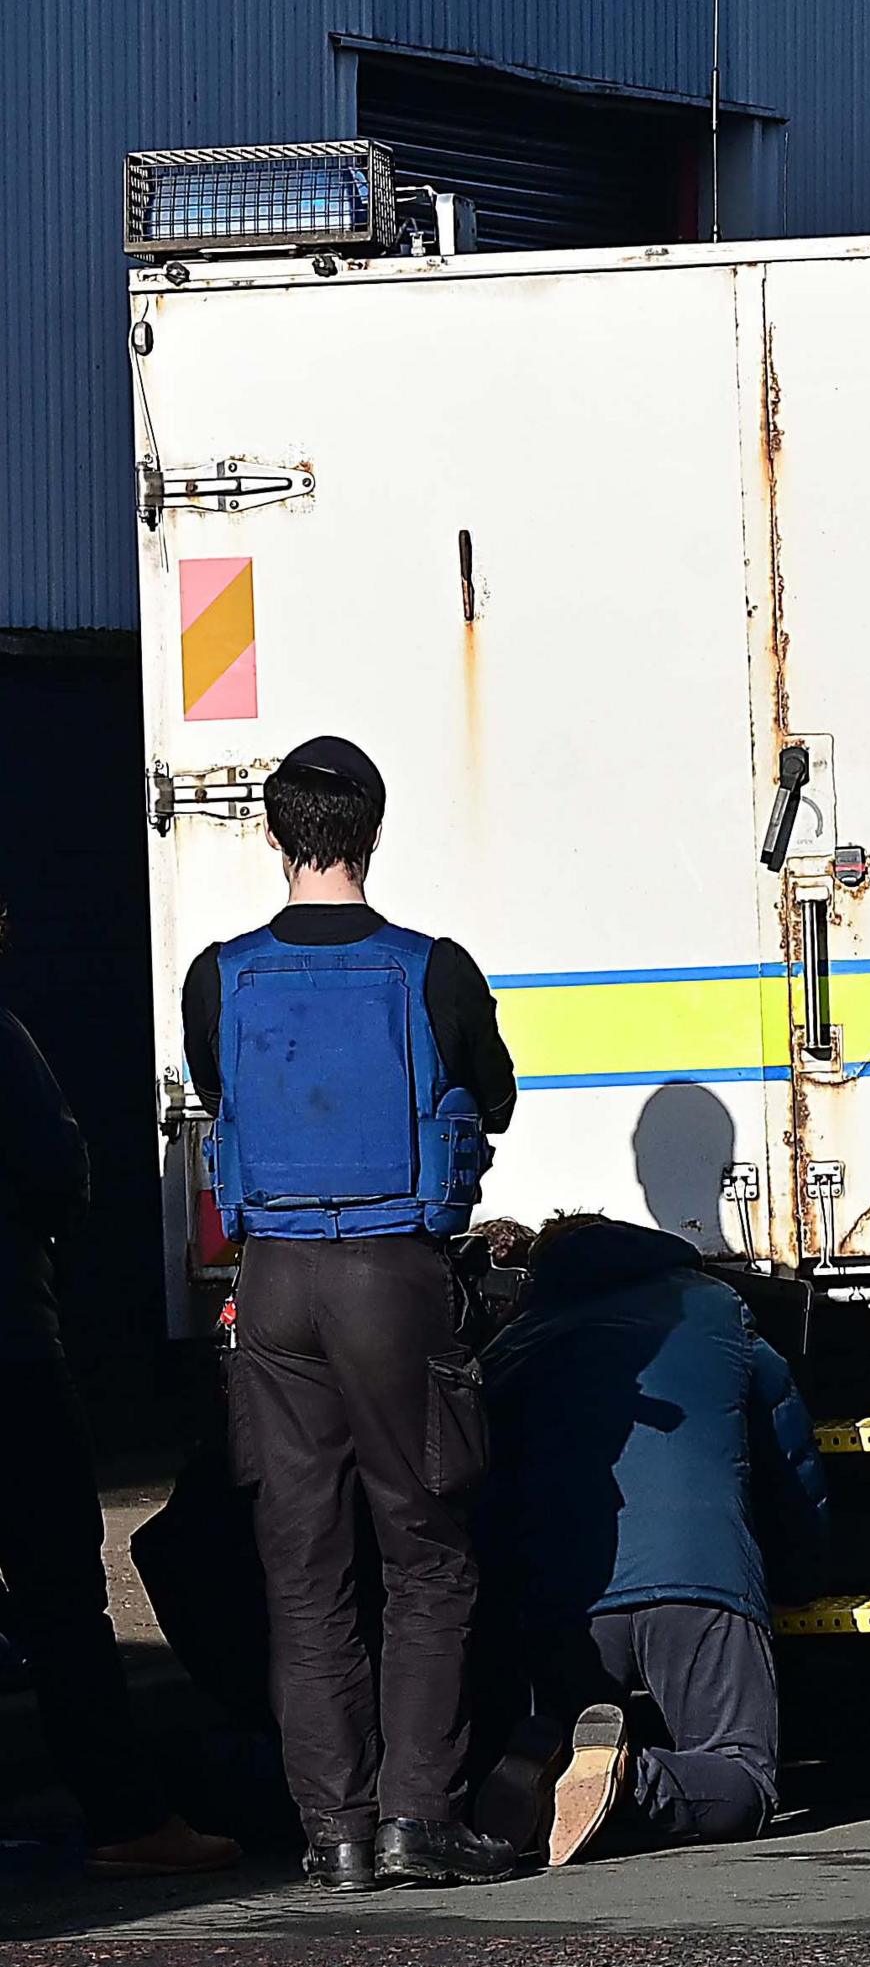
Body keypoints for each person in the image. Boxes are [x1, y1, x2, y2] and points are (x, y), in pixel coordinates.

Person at [186, 736, 519, 1888]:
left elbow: (219, 1097)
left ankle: (332, 1832)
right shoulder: (432, 970)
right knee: (425, 1553)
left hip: (272, 1282)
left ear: (274, 837)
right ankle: (419, 1821)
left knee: (303, 1563)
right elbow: (498, 1099)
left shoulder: (216, 977)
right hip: (394, 1277)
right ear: (372, 833)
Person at [0, 908, 238, 1880]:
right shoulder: (4, 1041)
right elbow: (59, 1173)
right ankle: (126, 1818)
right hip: (8, 1349)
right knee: (62, 1600)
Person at [476, 1217, 823, 1865]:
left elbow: (485, 1484)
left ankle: (547, 1754)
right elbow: (788, 1443)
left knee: (571, 1729)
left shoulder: (514, 1342)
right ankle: (632, 1779)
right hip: (699, 1571)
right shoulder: (711, 1306)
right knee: (742, 1774)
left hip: (566, 1598)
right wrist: (801, 1570)